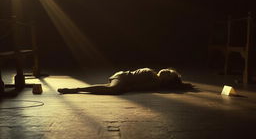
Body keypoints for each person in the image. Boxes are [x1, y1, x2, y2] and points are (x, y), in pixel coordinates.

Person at [57, 68, 192, 95]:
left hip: (123, 79)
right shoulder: (152, 74)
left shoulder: (155, 82)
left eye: (168, 74)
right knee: (113, 89)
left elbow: (139, 87)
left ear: (167, 80)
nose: (165, 71)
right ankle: (75, 90)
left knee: (109, 88)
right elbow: (136, 85)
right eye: (167, 70)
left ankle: (75, 89)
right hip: (122, 77)